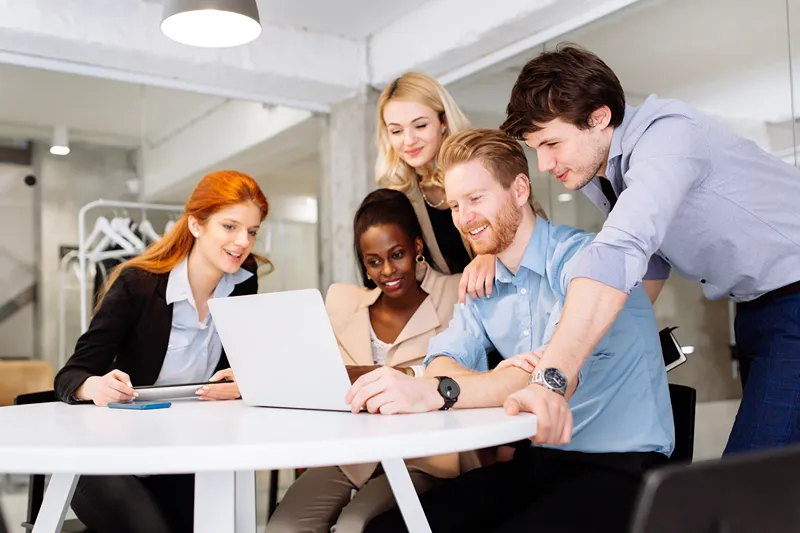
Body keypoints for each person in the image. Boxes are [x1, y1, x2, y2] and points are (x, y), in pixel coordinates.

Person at [354, 129, 673, 533]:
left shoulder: (585, 263)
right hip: (542, 462)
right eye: (454, 205)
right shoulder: (482, 283)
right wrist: (494, 378)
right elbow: (441, 363)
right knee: (386, 530)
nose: (463, 218)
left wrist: (448, 389)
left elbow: (547, 378)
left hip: (624, 468)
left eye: (476, 198)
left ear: (520, 189)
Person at [500, 44, 800, 455]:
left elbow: (618, 251)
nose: (544, 165)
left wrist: (553, 378)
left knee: (752, 476)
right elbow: (647, 271)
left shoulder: (668, 138)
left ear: (599, 117)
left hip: (793, 298)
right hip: (754, 308)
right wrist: (559, 351)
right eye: (536, 149)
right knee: (779, 477)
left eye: (551, 143)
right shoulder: (602, 173)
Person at [53, 170, 270, 533]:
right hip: (111, 459)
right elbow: (71, 375)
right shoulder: (137, 284)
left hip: (184, 453)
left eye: (251, 231)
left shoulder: (244, 281)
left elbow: (238, 367)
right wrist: (95, 387)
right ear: (196, 225)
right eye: (229, 227)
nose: (242, 242)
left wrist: (244, 381)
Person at [265, 189, 482, 533]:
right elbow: (319, 379)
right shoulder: (342, 302)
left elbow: (470, 376)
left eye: (397, 255)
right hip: (353, 455)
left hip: (425, 457)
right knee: (284, 527)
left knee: (356, 525)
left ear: (417, 248)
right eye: (374, 261)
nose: (388, 270)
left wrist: (405, 375)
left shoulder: (457, 295)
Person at [376, 71, 549, 302]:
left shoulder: (483, 160)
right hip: (470, 315)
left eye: (419, 126)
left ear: (443, 121)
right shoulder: (402, 197)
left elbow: (537, 231)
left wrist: (492, 252)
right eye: (396, 131)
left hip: (528, 299)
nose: (408, 140)